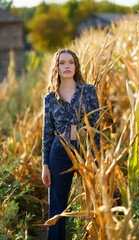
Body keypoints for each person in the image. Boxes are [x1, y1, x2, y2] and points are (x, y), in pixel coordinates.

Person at [41, 49, 100, 240]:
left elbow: (96, 127)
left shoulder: (88, 91)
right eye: (62, 63)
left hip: (85, 152)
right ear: (56, 67)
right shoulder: (50, 98)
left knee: (97, 202)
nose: (67, 66)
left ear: (76, 66)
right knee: (57, 208)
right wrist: (45, 165)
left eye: (71, 62)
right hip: (58, 152)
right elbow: (47, 133)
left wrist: (96, 158)